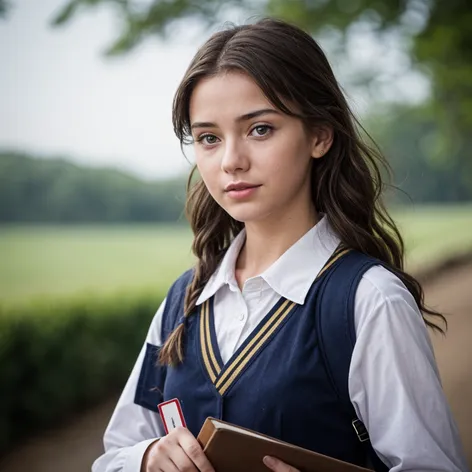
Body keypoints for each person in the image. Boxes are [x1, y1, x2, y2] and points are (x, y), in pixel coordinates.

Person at [92, 18, 468, 472]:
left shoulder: (369, 300)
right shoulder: (182, 302)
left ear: (320, 135)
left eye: (260, 129)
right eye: (209, 138)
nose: (231, 161)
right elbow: (114, 454)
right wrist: (149, 458)